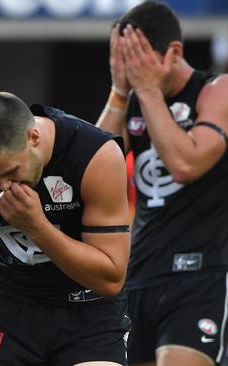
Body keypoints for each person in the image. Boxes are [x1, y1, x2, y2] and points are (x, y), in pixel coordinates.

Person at [0, 92, 131, 366]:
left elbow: (111, 278)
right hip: (11, 311)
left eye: (10, 172)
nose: (3, 185)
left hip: (88, 314)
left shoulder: (96, 156)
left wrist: (38, 227)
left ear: (34, 138)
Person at [96, 1, 228, 365]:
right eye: (122, 60)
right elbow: (92, 172)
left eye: (137, 59)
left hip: (201, 272)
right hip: (141, 272)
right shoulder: (134, 97)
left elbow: (186, 163)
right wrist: (120, 92)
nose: (131, 70)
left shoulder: (216, 90)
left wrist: (148, 92)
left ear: (173, 52)